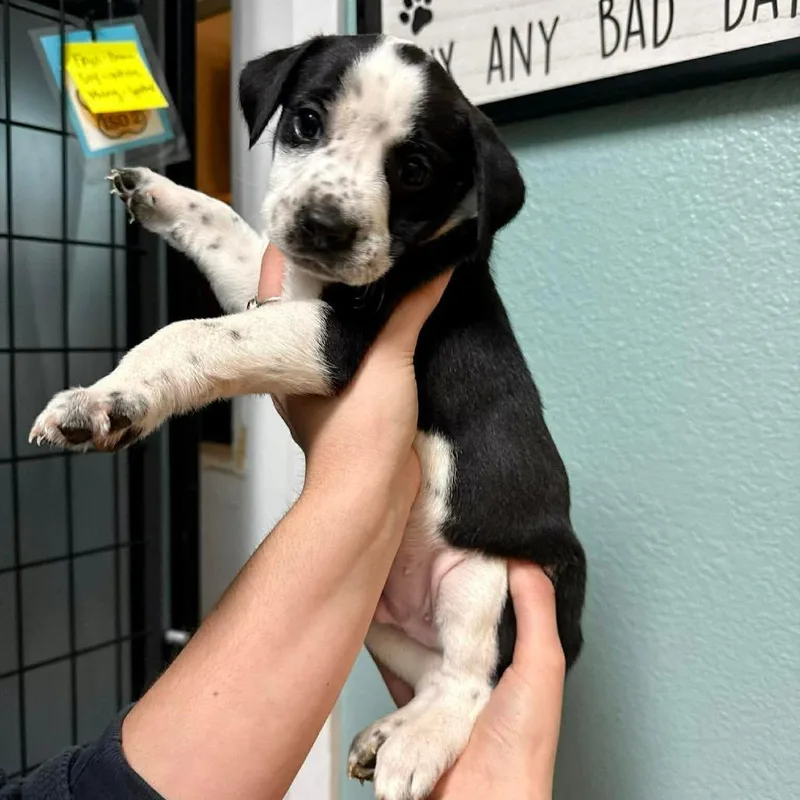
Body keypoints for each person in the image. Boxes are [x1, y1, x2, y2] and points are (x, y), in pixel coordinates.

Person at [0, 247, 566, 800]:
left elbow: (306, 328)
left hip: (465, 578)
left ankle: (455, 693)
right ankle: (438, 691)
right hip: (407, 576)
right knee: (359, 597)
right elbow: (276, 299)